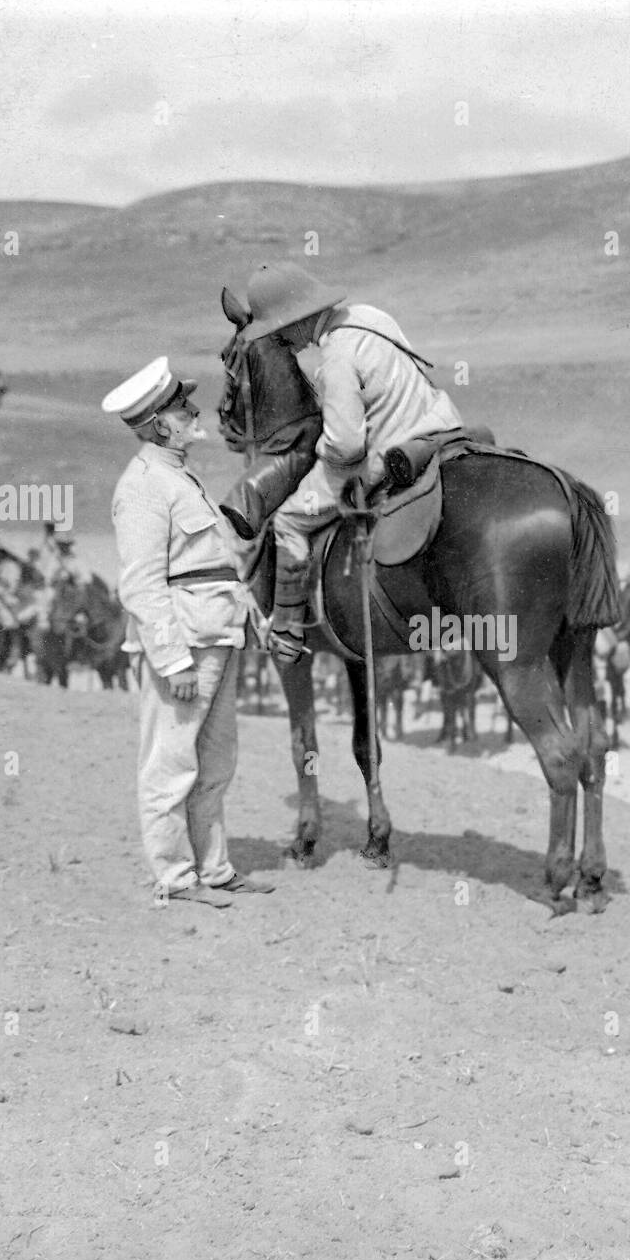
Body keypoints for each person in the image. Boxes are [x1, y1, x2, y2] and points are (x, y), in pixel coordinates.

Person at [103, 355, 274, 909]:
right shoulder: (144, 488)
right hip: (187, 645)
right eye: (181, 407)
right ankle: (176, 878)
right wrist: (172, 660)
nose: (193, 412)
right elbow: (143, 584)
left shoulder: (180, 477)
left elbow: (217, 562)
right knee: (171, 763)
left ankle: (215, 868)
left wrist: (253, 616)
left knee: (216, 760)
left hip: (218, 636)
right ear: (158, 425)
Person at [244, 263, 465, 664]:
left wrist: (319, 455)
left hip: (386, 453)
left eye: (279, 328)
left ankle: (288, 628)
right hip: (439, 431)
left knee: (289, 519)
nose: (280, 338)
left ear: (295, 320)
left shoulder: (335, 359)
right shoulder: (373, 318)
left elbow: (346, 446)